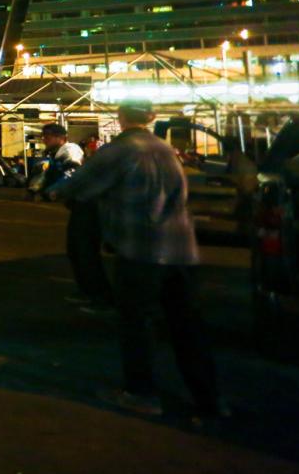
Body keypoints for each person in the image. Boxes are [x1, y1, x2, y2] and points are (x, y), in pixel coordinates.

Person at [53, 98, 224, 420]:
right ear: (152, 116)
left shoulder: (120, 150)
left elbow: (77, 187)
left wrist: (59, 191)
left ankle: (142, 393)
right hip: (183, 250)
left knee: (138, 323)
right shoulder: (165, 149)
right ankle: (209, 398)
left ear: (120, 117)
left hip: (142, 249)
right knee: (188, 325)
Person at [42, 123, 112, 311]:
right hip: (81, 205)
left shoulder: (70, 150)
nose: (44, 139)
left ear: (61, 137)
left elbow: (71, 172)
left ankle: (99, 296)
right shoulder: (56, 153)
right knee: (76, 250)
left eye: (48, 136)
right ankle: (88, 291)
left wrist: (54, 191)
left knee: (84, 251)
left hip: (88, 205)